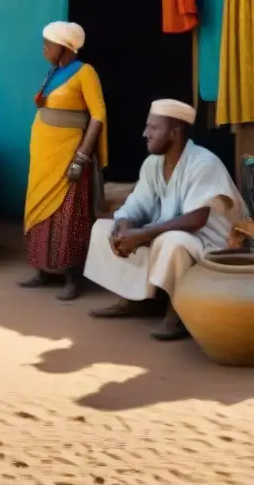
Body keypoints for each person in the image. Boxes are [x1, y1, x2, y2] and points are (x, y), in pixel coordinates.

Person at [84, 99, 246, 340]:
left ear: (175, 132)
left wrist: (143, 234)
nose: (145, 134)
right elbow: (138, 203)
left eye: (153, 128)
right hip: (174, 234)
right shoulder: (153, 164)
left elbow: (197, 219)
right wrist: (125, 224)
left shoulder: (203, 163)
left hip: (212, 244)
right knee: (103, 229)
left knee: (172, 242)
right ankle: (137, 299)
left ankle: (177, 313)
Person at [20, 21, 108, 301]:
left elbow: (98, 115)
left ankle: (72, 276)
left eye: (48, 43)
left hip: (69, 156)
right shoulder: (54, 72)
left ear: (64, 47)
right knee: (40, 208)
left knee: (68, 214)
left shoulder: (85, 72)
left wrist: (82, 155)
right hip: (43, 158)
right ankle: (43, 270)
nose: (44, 48)